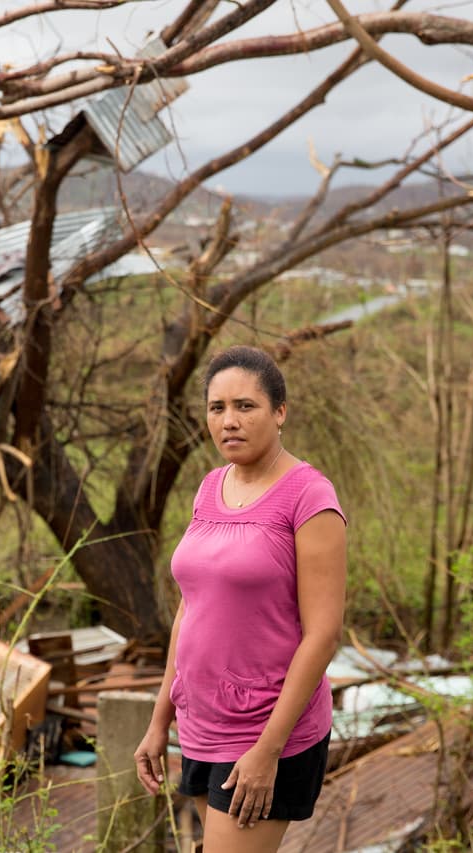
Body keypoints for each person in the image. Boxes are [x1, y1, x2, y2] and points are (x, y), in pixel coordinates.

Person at [134, 345, 347, 853]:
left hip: (266, 730)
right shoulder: (210, 488)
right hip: (202, 723)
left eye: (245, 406)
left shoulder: (309, 499)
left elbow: (323, 636)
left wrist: (267, 750)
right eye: (217, 408)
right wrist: (160, 720)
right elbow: (191, 610)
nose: (229, 420)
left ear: (280, 412)